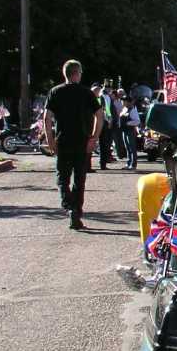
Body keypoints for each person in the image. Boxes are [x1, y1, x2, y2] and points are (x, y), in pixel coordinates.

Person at [43, 59, 103, 230]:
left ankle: (70, 206)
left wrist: (50, 140)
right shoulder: (87, 93)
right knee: (79, 179)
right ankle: (76, 211)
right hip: (82, 142)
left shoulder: (55, 92)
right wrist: (94, 137)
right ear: (77, 73)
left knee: (62, 179)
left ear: (65, 73)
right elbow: (100, 115)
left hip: (63, 141)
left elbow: (47, 118)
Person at [123, 98, 140, 169]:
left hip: (130, 130)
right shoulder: (125, 109)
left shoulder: (133, 110)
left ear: (129, 102)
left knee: (132, 148)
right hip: (125, 130)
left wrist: (127, 123)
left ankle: (133, 165)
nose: (123, 103)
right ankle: (128, 163)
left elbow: (137, 121)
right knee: (127, 148)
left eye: (125, 101)